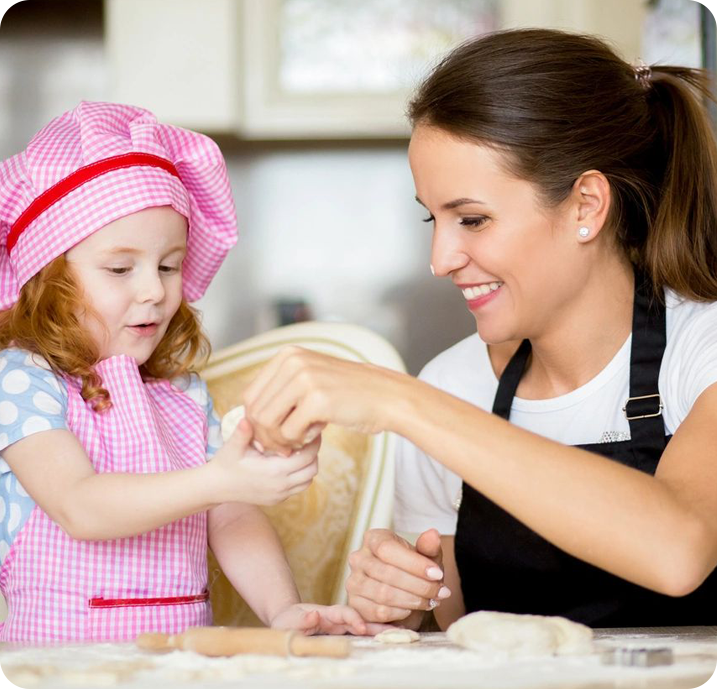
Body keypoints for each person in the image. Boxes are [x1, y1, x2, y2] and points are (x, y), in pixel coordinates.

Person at [242, 28, 717, 629]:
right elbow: (463, 630)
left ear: (586, 207)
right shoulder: (453, 382)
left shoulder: (702, 351)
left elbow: (679, 550)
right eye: (433, 219)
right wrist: (402, 603)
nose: (440, 260)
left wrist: (402, 400)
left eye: (472, 219)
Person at [0, 101, 377, 643]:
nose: (155, 290)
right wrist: (218, 479)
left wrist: (284, 612)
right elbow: (80, 505)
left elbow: (232, 517)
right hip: (61, 665)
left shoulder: (181, 393)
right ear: (44, 279)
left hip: (181, 662)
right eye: (120, 268)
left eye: (169, 265)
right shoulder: (22, 379)